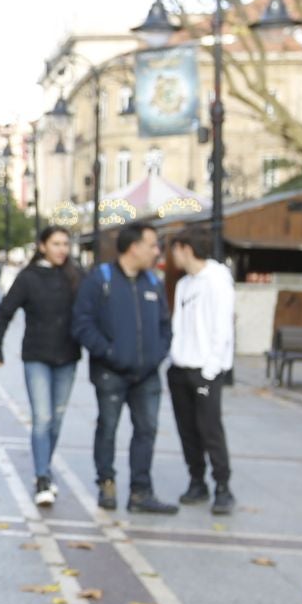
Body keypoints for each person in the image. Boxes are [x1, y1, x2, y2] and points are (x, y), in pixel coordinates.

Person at [71, 220, 177, 514]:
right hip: (111, 372)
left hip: (147, 374)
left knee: (147, 430)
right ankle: (106, 483)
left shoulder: (153, 282)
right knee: (108, 428)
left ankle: (141, 492)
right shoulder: (100, 279)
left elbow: (165, 325)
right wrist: (109, 352)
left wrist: (157, 354)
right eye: (152, 245)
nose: (157, 251)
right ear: (134, 247)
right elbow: (82, 323)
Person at [0, 226, 84, 507]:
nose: (62, 249)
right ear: (42, 246)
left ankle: (45, 467)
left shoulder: (76, 275)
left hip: (67, 357)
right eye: (56, 243)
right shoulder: (28, 278)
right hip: (37, 356)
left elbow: (91, 310)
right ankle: (42, 476)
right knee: (42, 418)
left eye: (65, 243)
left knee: (57, 419)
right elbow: (3, 313)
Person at [167, 228, 237, 515]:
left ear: (186, 248)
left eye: (175, 250)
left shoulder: (217, 280)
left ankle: (222, 485)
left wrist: (211, 368)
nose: (172, 256)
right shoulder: (184, 284)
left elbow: (222, 327)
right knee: (187, 429)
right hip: (180, 367)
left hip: (205, 370)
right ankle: (197, 480)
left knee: (210, 428)